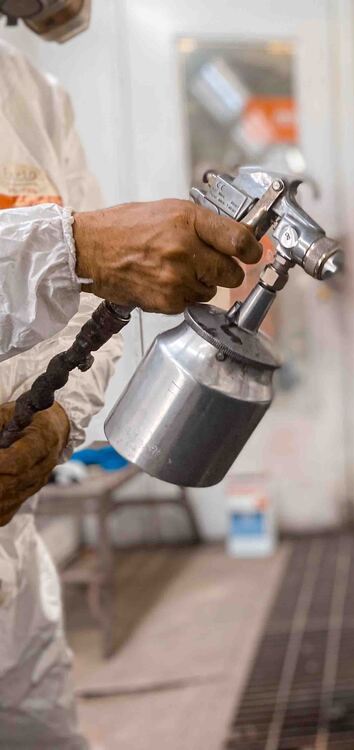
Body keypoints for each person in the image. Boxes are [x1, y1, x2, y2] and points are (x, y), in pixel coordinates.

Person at [0, 2, 262, 746]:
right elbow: (82, 264)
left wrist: (56, 424)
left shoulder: (36, 97)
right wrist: (71, 250)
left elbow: (92, 306)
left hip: (12, 560)